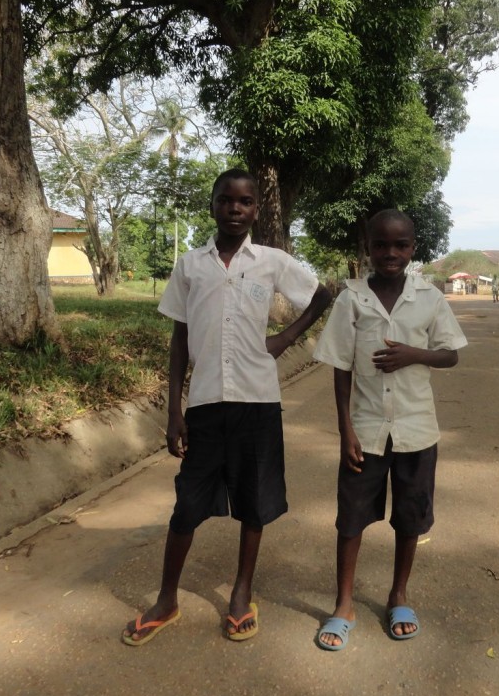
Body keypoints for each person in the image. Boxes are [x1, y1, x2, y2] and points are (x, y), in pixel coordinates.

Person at [121, 169, 332, 646]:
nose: (235, 208)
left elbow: (321, 294)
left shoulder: (271, 261)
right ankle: (166, 599)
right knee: (186, 505)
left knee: (254, 500)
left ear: (257, 209)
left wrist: (286, 337)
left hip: (257, 403)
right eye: (226, 200)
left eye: (246, 202)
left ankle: (241, 593)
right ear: (213, 205)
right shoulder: (190, 265)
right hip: (205, 405)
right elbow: (179, 339)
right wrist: (174, 410)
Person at [311, 209, 467, 651]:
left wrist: (414, 354)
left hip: (417, 430)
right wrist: (345, 431)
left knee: (410, 518)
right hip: (366, 429)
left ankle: (399, 595)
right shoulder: (352, 299)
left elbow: (451, 355)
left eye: (400, 245)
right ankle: (344, 603)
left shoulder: (430, 298)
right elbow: (341, 368)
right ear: (368, 247)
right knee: (351, 517)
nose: (390, 253)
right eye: (381, 245)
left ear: (413, 248)